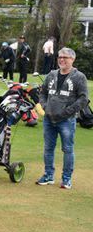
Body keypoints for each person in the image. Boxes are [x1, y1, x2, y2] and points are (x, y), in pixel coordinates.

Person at [36, 47, 89, 189]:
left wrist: (67, 112)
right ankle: (48, 175)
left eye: (65, 57)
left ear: (72, 59)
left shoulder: (79, 77)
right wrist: (45, 106)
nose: (61, 59)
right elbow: (43, 92)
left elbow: (83, 99)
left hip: (67, 120)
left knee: (67, 149)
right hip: (49, 119)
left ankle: (66, 179)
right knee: (48, 148)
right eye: (60, 56)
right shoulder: (51, 74)